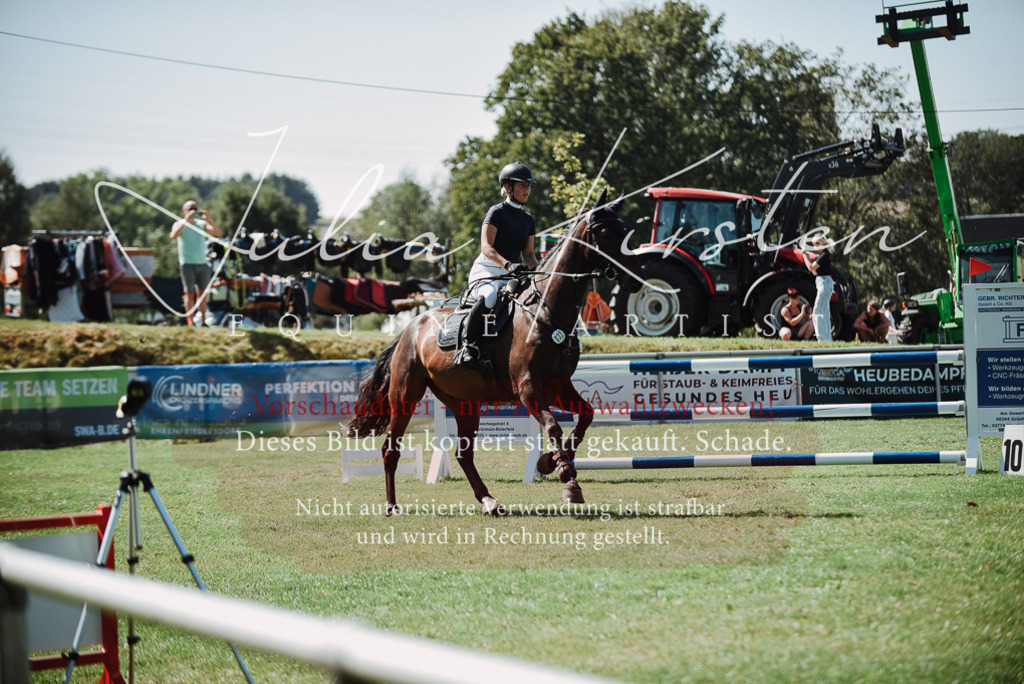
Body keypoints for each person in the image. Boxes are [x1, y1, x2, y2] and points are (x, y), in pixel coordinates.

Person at [459, 162, 540, 364]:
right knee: (490, 297)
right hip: (487, 270)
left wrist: (539, 274)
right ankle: (468, 345)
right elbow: (486, 248)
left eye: (529, 186)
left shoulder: (528, 219)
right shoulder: (496, 212)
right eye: (523, 185)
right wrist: (509, 265)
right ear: (507, 186)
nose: (527, 190)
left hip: (510, 274)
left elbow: (528, 254)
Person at [170, 200, 222, 326]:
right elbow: (173, 235)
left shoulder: (201, 224)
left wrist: (209, 219)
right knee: (189, 294)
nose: (193, 211)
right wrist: (185, 221)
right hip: (187, 263)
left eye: (195, 208)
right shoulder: (178, 224)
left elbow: (218, 233)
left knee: (202, 294)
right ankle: (190, 321)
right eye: (190, 208)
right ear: (184, 211)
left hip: (202, 263)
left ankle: (203, 321)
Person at [802, 235, 834, 342]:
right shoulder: (823, 256)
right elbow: (815, 271)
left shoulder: (824, 255)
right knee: (824, 311)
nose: (815, 246)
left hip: (824, 283)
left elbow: (811, 268)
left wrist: (804, 256)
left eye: (817, 244)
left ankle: (822, 339)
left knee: (818, 311)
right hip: (822, 282)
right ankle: (827, 339)